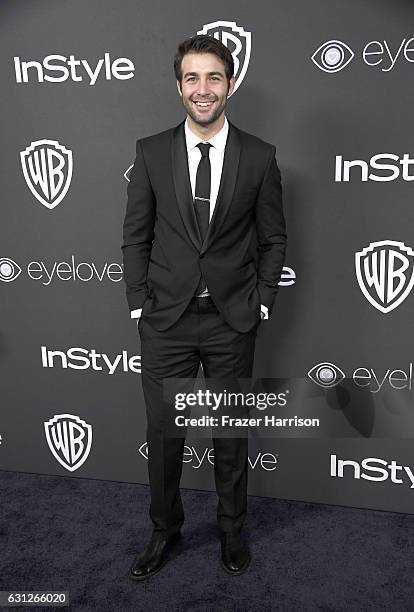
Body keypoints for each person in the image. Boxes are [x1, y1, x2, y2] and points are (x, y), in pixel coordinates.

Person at [122, 34, 287, 580]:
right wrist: (136, 301)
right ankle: (164, 531)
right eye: (192, 78)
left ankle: (233, 530)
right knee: (165, 437)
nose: (203, 88)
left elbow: (273, 239)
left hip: (231, 320)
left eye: (213, 77)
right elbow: (135, 235)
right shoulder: (150, 151)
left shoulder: (260, 156)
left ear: (230, 84)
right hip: (165, 321)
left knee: (230, 437)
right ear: (178, 85)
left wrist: (262, 300)